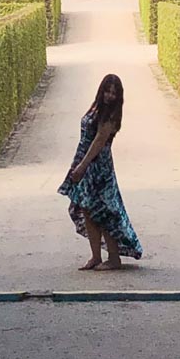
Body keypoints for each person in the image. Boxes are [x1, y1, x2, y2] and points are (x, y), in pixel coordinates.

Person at [58, 74, 142, 270]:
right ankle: (95, 256)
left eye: (114, 93)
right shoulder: (98, 108)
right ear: (101, 90)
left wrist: (81, 166)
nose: (110, 96)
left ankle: (114, 258)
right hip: (88, 163)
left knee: (103, 212)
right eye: (107, 91)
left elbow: (98, 142)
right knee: (88, 210)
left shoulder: (111, 115)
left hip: (98, 168)